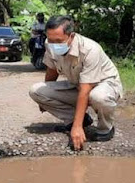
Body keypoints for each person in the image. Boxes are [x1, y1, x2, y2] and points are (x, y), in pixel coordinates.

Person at [29, 16, 123, 150]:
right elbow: (52, 69)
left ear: (71, 36)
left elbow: (86, 90)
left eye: (58, 41)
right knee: (36, 90)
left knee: (98, 96)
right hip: (77, 85)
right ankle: (79, 119)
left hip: (104, 85)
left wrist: (77, 128)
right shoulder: (49, 44)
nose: (54, 44)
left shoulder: (90, 49)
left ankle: (105, 128)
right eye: (50, 40)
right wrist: (44, 99)